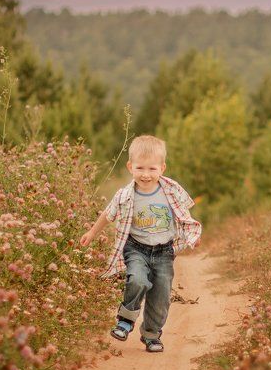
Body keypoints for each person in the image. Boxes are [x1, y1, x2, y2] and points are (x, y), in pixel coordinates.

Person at [79, 135, 201, 353]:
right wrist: (92, 232)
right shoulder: (125, 195)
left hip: (164, 252)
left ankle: (151, 335)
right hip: (136, 248)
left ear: (162, 168)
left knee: (161, 295)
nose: (146, 174)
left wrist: (192, 236)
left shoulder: (170, 191)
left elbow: (183, 215)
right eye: (140, 168)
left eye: (152, 169)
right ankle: (125, 322)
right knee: (137, 280)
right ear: (130, 167)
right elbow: (108, 214)